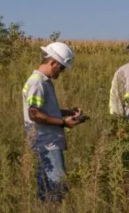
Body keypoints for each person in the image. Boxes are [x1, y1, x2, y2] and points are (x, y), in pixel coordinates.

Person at [22, 41, 85, 201]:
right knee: (58, 188)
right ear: (52, 62)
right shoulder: (37, 82)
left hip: (46, 142)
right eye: (61, 67)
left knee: (46, 189)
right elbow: (34, 114)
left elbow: (44, 110)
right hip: (47, 143)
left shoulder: (44, 81)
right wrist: (64, 123)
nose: (62, 72)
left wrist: (67, 112)